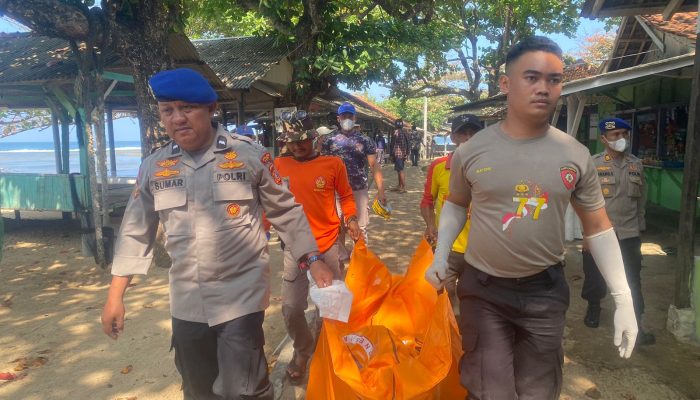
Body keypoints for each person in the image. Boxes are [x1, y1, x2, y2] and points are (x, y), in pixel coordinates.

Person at [100, 68, 335, 400]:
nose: (177, 118)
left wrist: (313, 260)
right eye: (168, 110)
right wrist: (115, 296)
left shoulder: (250, 156)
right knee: (197, 390)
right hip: (186, 302)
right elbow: (136, 231)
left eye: (187, 108)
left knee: (245, 390)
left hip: (240, 297)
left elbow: (286, 211)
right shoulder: (154, 166)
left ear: (211, 110)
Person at [424, 36, 638, 400]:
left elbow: (599, 228)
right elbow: (457, 204)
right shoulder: (472, 151)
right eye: (532, 77)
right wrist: (441, 254)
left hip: (545, 292)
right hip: (484, 290)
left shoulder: (575, 154)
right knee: (488, 390)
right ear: (506, 84)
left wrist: (623, 298)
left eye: (554, 80)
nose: (544, 88)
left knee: (538, 391)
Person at [274, 114, 361, 383]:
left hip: (328, 243)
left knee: (332, 305)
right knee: (290, 307)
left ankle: (329, 349)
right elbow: (270, 204)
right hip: (294, 248)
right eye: (292, 142)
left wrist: (352, 218)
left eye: (303, 140)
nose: (298, 146)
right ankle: (303, 348)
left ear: (315, 138)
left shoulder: (333, 164)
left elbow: (346, 195)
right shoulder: (277, 165)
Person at [582, 117, 655, 345]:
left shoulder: (636, 164)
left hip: (629, 233)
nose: (621, 139)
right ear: (604, 138)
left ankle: (637, 323)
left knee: (633, 280)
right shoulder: (593, 165)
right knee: (595, 277)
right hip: (600, 234)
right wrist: (586, 234)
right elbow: (583, 202)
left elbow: (641, 200)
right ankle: (594, 307)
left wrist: (639, 227)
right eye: (615, 135)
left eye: (624, 134)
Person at [420, 114, 482, 309]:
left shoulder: (492, 169)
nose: (468, 137)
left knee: (473, 299)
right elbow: (427, 201)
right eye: (462, 133)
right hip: (448, 248)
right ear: (453, 137)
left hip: (479, 250)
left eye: (473, 132)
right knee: (444, 294)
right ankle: (449, 334)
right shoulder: (438, 167)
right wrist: (431, 225)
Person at [322, 102, 386, 243]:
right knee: (337, 227)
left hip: (358, 190)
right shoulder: (328, 140)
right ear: (338, 119)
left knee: (360, 226)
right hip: (335, 191)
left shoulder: (365, 140)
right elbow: (322, 166)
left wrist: (381, 191)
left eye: (349, 116)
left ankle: (361, 259)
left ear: (355, 118)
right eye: (343, 116)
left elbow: (374, 165)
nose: (347, 119)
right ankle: (340, 261)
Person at [389, 119, 410, 193]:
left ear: (395, 125)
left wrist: (391, 154)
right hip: (403, 154)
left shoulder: (396, 132)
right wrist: (407, 153)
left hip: (397, 154)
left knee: (400, 170)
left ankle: (403, 187)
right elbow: (408, 143)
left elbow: (393, 144)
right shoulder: (405, 132)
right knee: (399, 170)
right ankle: (399, 186)